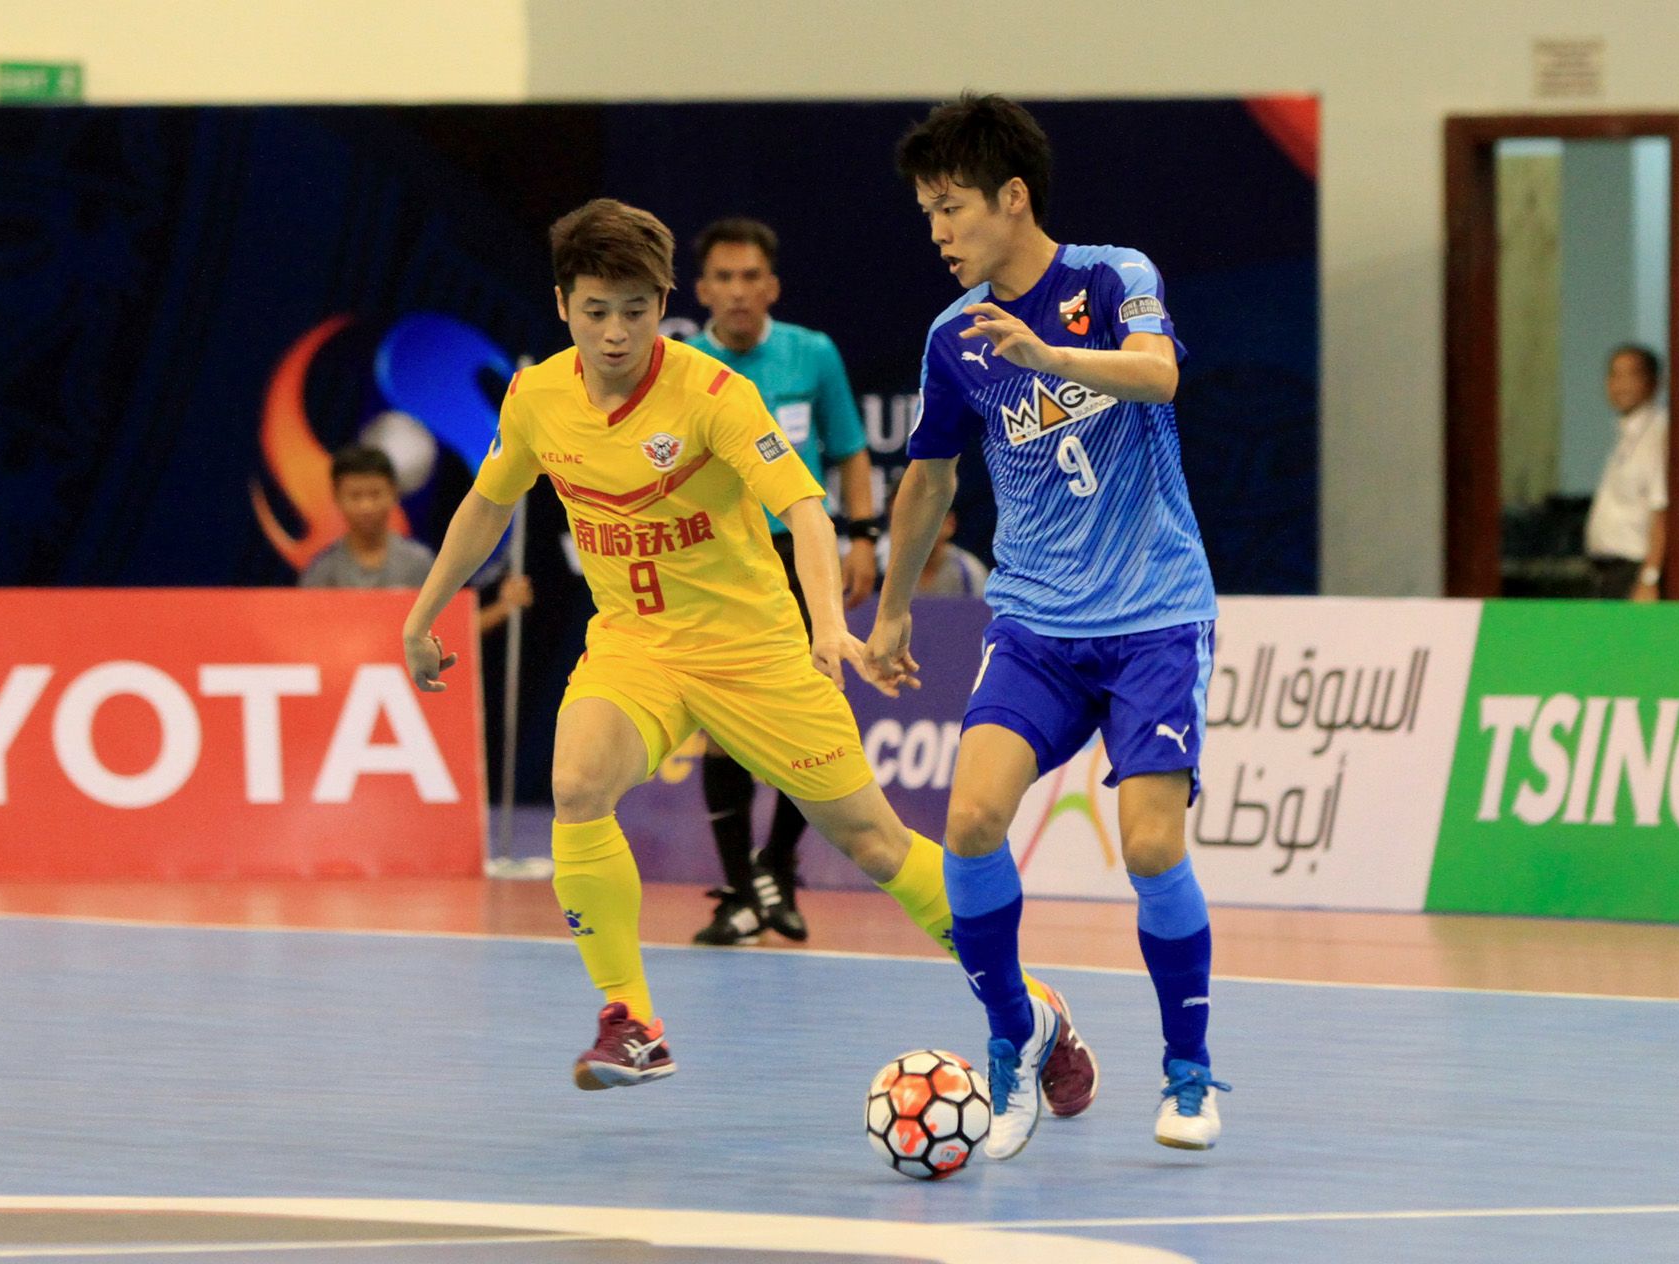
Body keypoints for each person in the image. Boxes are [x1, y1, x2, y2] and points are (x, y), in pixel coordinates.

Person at [401, 198, 1095, 1126]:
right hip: (635, 646)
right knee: (575, 785)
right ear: (564, 304)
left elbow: (805, 509)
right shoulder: (535, 399)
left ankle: (1034, 1008)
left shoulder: (713, 394)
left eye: (637, 310)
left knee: (877, 845)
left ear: (663, 306)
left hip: (753, 653)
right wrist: (425, 611)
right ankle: (632, 1021)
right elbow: (488, 506)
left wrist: (823, 623)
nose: (617, 332)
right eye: (598, 309)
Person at [867, 94, 1228, 1154]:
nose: (936, 232)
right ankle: (1016, 1036)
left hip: (1153, 612)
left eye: (950, 208)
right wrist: (889, 612)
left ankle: (1190, 1075)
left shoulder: (1116, 277)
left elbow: (1159, 376)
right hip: (1033, 621)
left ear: (1011, 198)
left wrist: (1048, 357)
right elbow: (926, 483)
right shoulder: (952, 340)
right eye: (925, 212)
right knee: (968, 820)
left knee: (1150, 843)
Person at [684, 217, 879, 947]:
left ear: (771, 285)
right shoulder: (683, 365)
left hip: (802, 556)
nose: (737, 292)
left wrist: (862, 537)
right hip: (723, 569)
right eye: (723, 279)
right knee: (723, 733)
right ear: (702, 290)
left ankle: (779, 865)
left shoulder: (812, 354)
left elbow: (853, 452)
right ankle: (738, 892)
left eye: (749, 277)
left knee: (813, 717)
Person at [302, 444, 532, 629]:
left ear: (394, 493)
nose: (366, 506)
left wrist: (504, 607)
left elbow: (451, 630)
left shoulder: (420, 562)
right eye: (355, 496)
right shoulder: (322, 571)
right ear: (337, 497)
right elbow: (302, 636)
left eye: (375, 494)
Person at [1585, 345, 1667, 602]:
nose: (1621, 385)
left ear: (1653, 382)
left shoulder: (1659, 434)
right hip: (1607, 570)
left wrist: (1649, 577)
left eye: (1631, 375)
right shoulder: (1626, 434)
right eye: (1614, 375)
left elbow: (1663, 510)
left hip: (1634, 571)